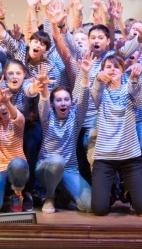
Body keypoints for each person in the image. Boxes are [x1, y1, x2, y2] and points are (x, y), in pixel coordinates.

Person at [89, 54, 142, 217]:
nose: (112, 70)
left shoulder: (128, 90)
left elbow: (134, 91)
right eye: (108, 67)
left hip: (130, 158)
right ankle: (110, 192)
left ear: (123, 71)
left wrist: (134, 76)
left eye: (117, 67)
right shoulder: (101, 94)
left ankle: (127, 190)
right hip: (104, 158)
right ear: (102, 70)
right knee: (99, 210)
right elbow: (95, 91)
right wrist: (98, 77)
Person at [36, 54, 94, 214]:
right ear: (53, 104)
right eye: (59, 100)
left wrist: (85, 74)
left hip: (69, 169)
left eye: (66, 100)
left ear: (71, 102)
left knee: (90, 206)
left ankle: (64, 199)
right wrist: (43, 86)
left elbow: (84, 99)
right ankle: (49, 197)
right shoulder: (47, 117)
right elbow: (43, 102)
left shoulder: (76, 117)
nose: (63, 103)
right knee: (57, 161)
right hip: (46, 167)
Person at [0, 76, 29, 214]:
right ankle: (1, 199)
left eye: (5, 104)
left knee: (18, 163)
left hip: (17, 168)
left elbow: (17, 118)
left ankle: (17, 195)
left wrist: (7, 103)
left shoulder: (18, 119)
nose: (2, 107)